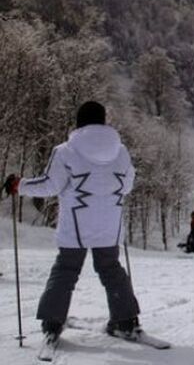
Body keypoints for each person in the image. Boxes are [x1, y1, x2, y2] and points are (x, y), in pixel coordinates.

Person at [2, 101, 143, 344]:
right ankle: (126, 321)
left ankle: (53, 323)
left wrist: (20, 185)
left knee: (66, 270)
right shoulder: (121, 152)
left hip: (76, 226)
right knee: (111, 270)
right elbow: (127, 186)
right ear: (103, 121)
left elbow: (51, 185)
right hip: (109, 226)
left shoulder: (66, 151)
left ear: (79, 122)